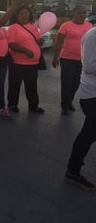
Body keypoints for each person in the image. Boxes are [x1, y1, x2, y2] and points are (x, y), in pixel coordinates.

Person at [65, 27, 96, 191]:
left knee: (89, 133)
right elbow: (89, 67)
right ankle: (73, 171)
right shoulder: (92, 36)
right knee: (89, 134)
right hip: (92, 95)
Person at [52, 5, 92, 115]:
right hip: (67, 59)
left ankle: (69, 101)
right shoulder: (66, 26)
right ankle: (65, 105)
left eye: (84, 13)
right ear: (73, 14)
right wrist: (55, 57)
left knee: (76, 84)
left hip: (83, 60)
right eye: (79, 13)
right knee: (67, 83)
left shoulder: (89, 26)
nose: (82, 15)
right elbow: (59, 42)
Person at [7, 5, 45, 114]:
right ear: (17, 15)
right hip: (18, 63)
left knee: (32, 86)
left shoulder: (33, 26)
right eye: (21, 13)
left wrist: (40, 41)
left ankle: (33, 105)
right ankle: (12, 104)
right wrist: (25, 51)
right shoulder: (13, 27)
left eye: (26, 13)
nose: (24, 15)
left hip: (33, 64)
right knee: (15, 85)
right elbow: (12, 44)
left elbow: (37, 40)